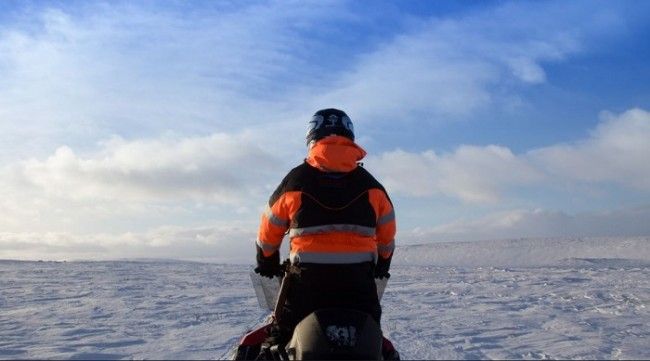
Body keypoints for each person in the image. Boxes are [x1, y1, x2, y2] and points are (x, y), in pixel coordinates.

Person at [254, 108, 396, 343]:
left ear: (312, 138)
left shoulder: (294, 182)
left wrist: (267, 263)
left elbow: (268, 233)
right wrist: (381, 267)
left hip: (306, 287)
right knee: (371, 343)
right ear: (349, 137)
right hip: (359, 287)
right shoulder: (373, 188)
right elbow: (387, 239)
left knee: (282, 341)